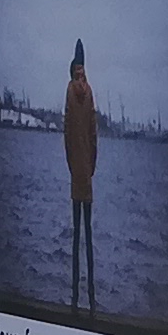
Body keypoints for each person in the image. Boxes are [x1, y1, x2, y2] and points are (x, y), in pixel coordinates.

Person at [60, 38, 101, 313]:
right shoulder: (89, 93)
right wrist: (90, 165)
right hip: (85, 170)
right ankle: (90, 296)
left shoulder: (69, 93)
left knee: (77, 234)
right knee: (87, 234)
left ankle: (76, 296)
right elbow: (93, 133)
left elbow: (68, 134)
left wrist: (74, 166)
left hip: (78, 170)